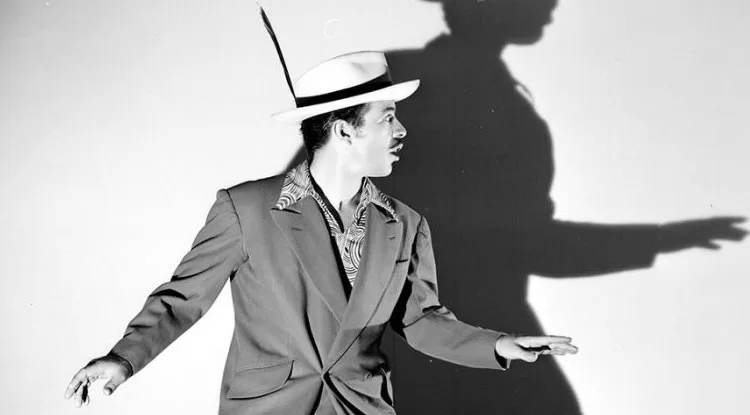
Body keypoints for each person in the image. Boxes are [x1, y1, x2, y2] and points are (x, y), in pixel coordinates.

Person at [63, 48, 578, 414]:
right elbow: (181, 300)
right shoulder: (246, 208)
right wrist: (123, 358)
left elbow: (420, 321)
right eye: (388, 118)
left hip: (360, 406)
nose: (402, 131)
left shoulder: (406, 224)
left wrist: (498, 345)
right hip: (270, 408)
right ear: (345, 130)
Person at [377, 0, 747, 414]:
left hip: (476, 338)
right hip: (428, 342)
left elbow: (519, 241)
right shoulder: (407, 85)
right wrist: (661, 240)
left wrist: (663, 239)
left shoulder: (488, 88)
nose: (551, 5)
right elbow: (519, 244)